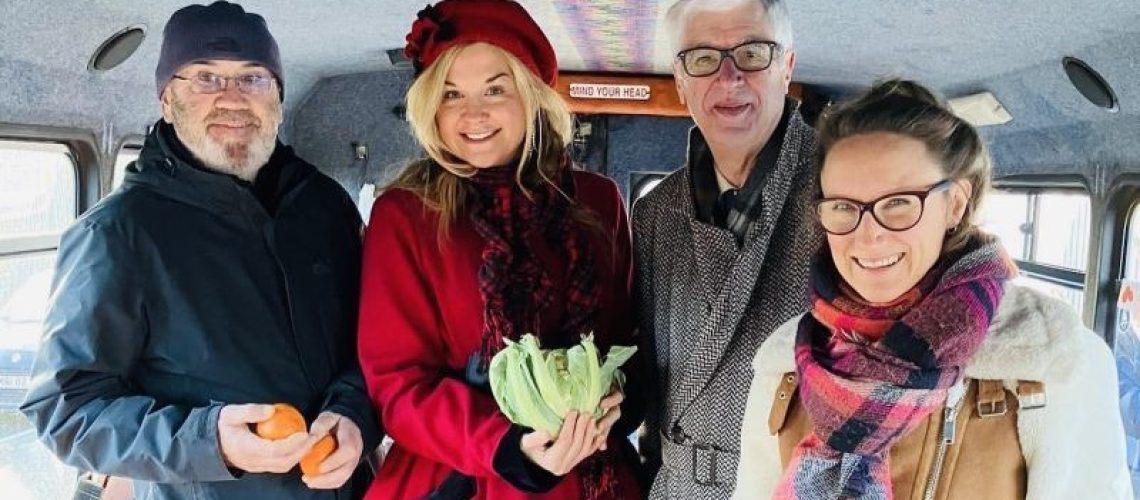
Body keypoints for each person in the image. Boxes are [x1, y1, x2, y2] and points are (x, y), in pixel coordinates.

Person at [19, 2, 381, 499]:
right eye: (205, 79)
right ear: (168, 100)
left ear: (277, 96)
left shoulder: (325, 206)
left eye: (253, 78)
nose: (232, 98)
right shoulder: (117, 232)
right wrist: (209, 440)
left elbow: (377, 343)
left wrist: (354, 412)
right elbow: (66, 409)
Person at [733, 79, 1132, 499]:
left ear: (955, 204)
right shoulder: (784, 358)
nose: (868, 236)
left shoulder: (1052, 360)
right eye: (844, 207)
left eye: (898, 203)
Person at [355, 1, 645, 498]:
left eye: (495, 88)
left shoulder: (599, 200)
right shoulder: (405, 215)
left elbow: (626, 338)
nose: (474, 113)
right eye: (451, 94)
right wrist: (506, 445)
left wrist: (620, 398)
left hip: (592, 472)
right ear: (431, 107)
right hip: (465, 471)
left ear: (531, 94)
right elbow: (398, 385)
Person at [632, 0, 820, 497]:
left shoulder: (844, 191)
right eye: (702, 59)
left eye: (752, 54)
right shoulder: (654, 213)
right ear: (680, 80)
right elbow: (654, 382)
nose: (729, 77)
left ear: (787, 67)